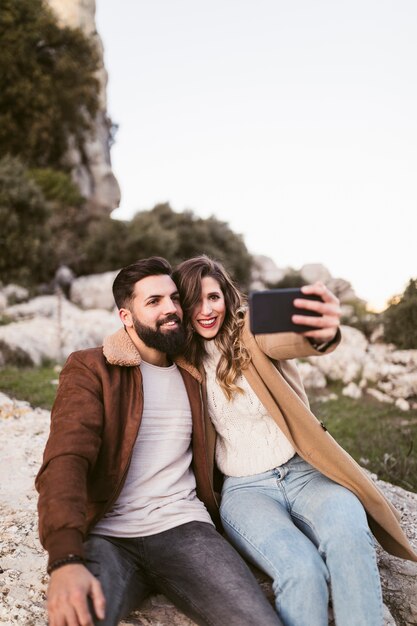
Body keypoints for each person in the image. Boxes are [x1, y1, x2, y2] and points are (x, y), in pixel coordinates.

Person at [36, 257, 282, 626]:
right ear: (126, 316)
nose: (170, 309)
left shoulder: (196, 367)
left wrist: (320, 327)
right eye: (153, 302)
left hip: (186, 529)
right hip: (108, 537)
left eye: (173, 298)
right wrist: (65, 558)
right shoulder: (92, 368)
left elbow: (258, 331)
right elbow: (66, 458)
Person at [173, 255, 417, 626]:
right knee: (301, 571)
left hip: (306, 474)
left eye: (213, 297)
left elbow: (286, 338)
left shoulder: (250, 329)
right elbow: (135, 335)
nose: (206, 310)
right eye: (194, 301)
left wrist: (319, 331)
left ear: (226, 296)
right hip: (245, 491)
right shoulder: (181, 359)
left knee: (351, 540)